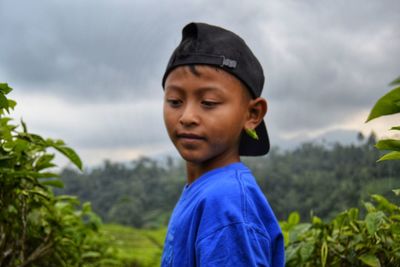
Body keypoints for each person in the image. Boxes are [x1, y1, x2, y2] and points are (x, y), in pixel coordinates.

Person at [160, 22, 284, 267]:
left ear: (252, 115)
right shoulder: (206, 191)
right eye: (175, 101)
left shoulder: (226, 202)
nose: (187, 117)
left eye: (208, 102)